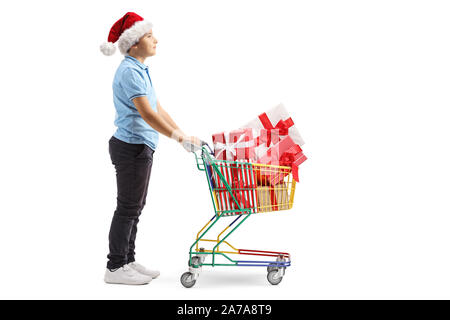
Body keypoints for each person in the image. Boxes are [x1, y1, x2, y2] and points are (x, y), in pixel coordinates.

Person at [100, 12, 201, 285]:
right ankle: (115, 266)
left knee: (135, 206)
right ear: (133, 44)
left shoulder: (140, 69)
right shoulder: (130, 71)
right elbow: (146, 113)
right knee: (128, 207)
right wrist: (178, 139)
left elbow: (158, 108)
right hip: (131, 146)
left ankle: (127, 260)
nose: (155, 39)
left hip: (140, 146)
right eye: (148, 36)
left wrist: (182, 133)